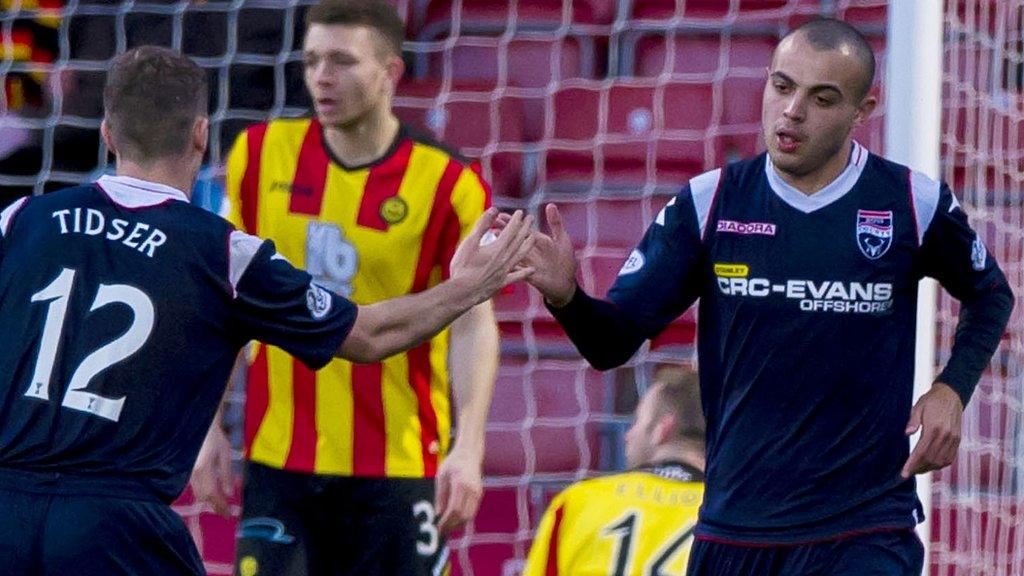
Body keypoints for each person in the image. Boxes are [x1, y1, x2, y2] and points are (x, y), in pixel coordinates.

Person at [0, 45, 532, 576]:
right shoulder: (222, 254)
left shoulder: (21, 220)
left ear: (108, 135)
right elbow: (369, 334)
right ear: (201, 135)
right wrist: (469, 287)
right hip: (116, 525)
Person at [519, 18, 1015, 576]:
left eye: (821, 98)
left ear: (862, 110)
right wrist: (566, 296)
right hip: (736, 529)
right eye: (782, 86)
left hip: (864, 527)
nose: (792, 111)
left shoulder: (910, 201)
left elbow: (991, 294)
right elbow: (610, 344)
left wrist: (953, 387)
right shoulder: (711, 203)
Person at [189, 1, 499, 575]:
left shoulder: (449, 183)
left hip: (400, 466)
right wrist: (207, 428)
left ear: (391, 72)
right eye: (310, 60)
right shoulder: (259, 156)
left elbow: (473, 319)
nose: (321, 77)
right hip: (279, 459)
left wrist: (470, 445)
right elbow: (226, 299)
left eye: (341, 61)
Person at [522, 367, 706, 576]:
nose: (628, 435)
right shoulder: (724, 515)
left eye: (637, 421)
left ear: (662, 429)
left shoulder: (579, 501)